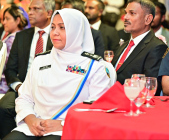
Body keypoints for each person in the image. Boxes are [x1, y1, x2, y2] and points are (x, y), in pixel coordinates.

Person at [3, 8, 111, 140]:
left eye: (62, 27)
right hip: (33, 127)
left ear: (76, 31)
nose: (55, 32)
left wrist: (62, 124)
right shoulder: (41, 60)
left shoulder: (94, 66)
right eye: (53, 27)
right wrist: (30, 119)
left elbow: (98, 109)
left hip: (68, 128)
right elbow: (24, 97)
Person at [0, 0, 54, 139]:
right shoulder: (22, 36)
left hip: (50, 88)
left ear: (49, 12)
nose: (30, 13)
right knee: (4, 106)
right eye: (30, 9)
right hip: (23, 86)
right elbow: (10, 68)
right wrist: (18, 87)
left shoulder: (57, 36)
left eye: (36, 9)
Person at [111, 0, 168, 96]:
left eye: (132, 13)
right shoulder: (124, 45)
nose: (126, 17)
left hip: (134, 106)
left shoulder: (156, 47)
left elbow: (150, 88)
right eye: (126, 13)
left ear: (148, 19)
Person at [0, 6, 28, 94]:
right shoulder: (24, 36)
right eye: (4, 19)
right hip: (14, 83)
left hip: (4, 85)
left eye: (7, 19)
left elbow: (4, 67)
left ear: (18, 20)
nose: (4, 22)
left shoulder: (12, 40)